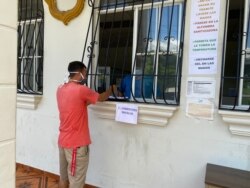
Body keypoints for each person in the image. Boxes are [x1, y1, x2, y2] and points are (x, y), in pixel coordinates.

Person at [56, 61, 114, 188]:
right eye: (85, 72)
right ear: (80, 73)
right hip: (76, 146)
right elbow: (101, 97)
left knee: (63, 179)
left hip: (63, 142)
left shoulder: (60, 89)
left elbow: (77, 104)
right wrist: (111, 90)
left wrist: (87, 101)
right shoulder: (81, 90)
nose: (86, 75)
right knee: (76, 182)